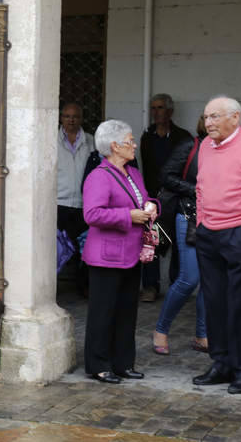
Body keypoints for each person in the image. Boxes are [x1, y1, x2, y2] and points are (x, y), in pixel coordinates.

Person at [82, 119, 158, 384]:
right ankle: (98, 365)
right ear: (114, 146)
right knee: (103, 314)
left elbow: (143, 198)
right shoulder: (99, 176)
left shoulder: (133, 173)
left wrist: (151, 206)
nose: (134, 145)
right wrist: (129, 216)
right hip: (106, 256)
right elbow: (92, 214)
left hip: (131, 252)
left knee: (127, 312)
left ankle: (123, 363)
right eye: (130, 141)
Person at [192, 96, 241, 393]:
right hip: (208, 233)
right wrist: (201, 221)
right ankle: (221, 363)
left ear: (235, 118)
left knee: (239, 304)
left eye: (215, 117)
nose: (208, 122)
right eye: (206, 116)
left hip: (238, 231)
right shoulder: (204, 147)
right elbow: (200, 185)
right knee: (214, 301)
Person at [152, 116, 207, 355]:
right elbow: (166, 176)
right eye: (210, 117)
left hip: (217, 219)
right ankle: (161, 330)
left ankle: (202, 335)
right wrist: (196, 191)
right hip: (189, 216)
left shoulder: (231, 150)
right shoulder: (190, 146)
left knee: (209, 280)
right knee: (189, 278)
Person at [139, 94, 191, 302]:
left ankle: (176, 287)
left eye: (160, 108)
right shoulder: (147, 136)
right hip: (154, 198)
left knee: (178, 244)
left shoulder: (183, 137)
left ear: (170, 111)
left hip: (177, 198)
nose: (156, 112)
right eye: (153, 108)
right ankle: (150, 287)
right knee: (151, 241)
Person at [57, 103, 94, 282]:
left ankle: (83, 286)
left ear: (81, 118)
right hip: (58, 203)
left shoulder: (90, 141)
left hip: (83, 203)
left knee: (85, 248)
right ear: (61, 118)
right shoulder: (51, 140)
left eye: (75, 116)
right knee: (56, 248)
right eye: (67, 116)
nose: (71, 120)